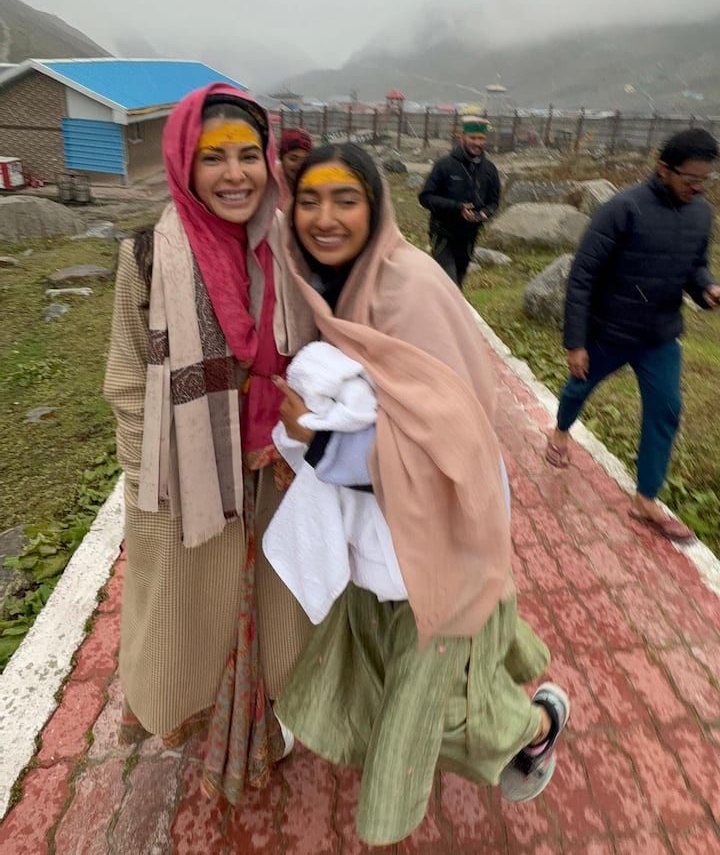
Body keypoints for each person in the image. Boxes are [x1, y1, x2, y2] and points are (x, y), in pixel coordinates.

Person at [270, 143, 570, 846]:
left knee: (446, 706)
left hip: (444, 530)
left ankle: (540, 724)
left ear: (375, 208)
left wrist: (319, 444)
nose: (324, 216)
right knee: (397, 679)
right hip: (384, 538)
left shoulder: (411, 286)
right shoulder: (331, 283)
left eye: (346, 199)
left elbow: (449, 438)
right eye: (309, 199)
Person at [104, 83, 316, 802]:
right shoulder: (146, 255)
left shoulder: (291, 249)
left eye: (249, 155)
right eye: (212, 156)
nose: (235, 174)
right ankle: (209, 725)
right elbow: (127, 375)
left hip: (278, 470)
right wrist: (150, 472)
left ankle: (264, 721)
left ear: (270, 163)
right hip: (187, 477)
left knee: (278, 611)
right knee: (195, 620)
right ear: (183, 164)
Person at [546, 128, 720, 541]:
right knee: (578, 388)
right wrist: (576, 341)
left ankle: (645, 501)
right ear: (663, 169)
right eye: (690, 179)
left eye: (705, 181)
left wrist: (707, 286)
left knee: (666, 411)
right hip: (611, 330)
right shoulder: (622, 209)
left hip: (660, 335)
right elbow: (583, 275)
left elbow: (695, 265)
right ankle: (560, 430)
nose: (697, 189)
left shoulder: (701, 213)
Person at [418, 115, 500, 287]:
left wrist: (484, 213)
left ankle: (445, 313)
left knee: (458, 284)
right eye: (473, 138)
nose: (477, 143)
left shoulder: (489, 169)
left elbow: (494, 202)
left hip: (469, 238)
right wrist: (457, 208)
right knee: (449, 284)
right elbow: (425, 197)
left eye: (481, 138)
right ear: (462, 137)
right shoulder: (444, 165)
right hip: (443, 236)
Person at [277, 127, 313, 207]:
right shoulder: (270, 185)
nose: (299, 165)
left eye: (305, 159)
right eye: (293, 158)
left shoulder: (313, 182)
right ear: (281, 157)